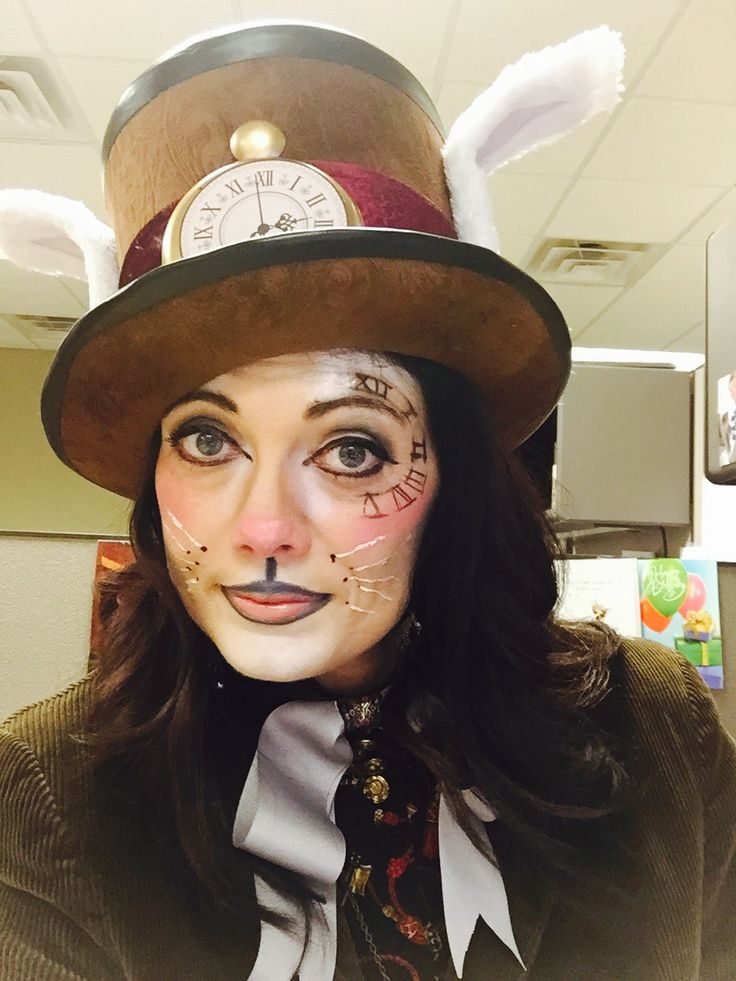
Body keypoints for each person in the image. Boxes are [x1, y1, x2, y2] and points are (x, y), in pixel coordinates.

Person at [1, 21, 734, 981]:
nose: (264, 529)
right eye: (208, 440)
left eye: (352, 447)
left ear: (454, 481)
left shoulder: (653, 727)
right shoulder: (46, 796)